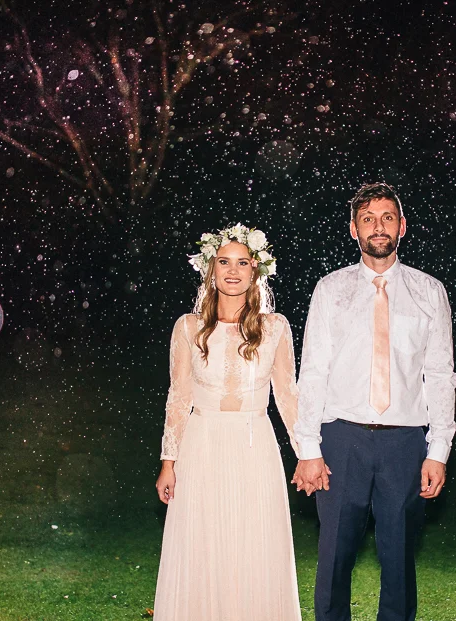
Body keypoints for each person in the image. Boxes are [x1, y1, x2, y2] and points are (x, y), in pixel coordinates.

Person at [292, 183, 456, 621]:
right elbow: (312, 371)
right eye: (368, 218)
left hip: (405, 443)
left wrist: (437, 451)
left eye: (387, 217)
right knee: (333, 560)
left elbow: (440, 376)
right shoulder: (331, 290)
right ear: (353, 229)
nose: (378, 226)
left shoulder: (429, 292)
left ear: (402, 227)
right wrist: (308, 448)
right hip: (341, 440)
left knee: (399, 559)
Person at [153, 224, 302, 621]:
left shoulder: (275, 328)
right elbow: (179, 397)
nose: (232, 271)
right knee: (204, 544)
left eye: (242, 262)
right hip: (202, 446)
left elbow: (288, 396)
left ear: (256, 271)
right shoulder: (188, 327)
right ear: (210, 270)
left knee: (253, 544)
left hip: (256, 448)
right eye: (224, 262)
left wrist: (308, 454)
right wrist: (169, 461)